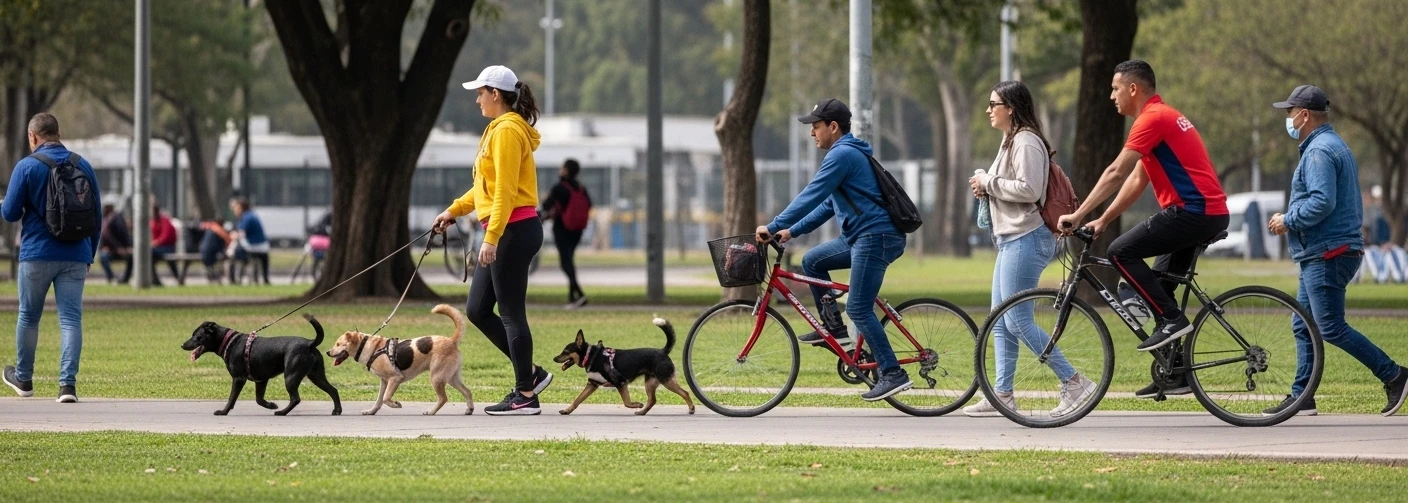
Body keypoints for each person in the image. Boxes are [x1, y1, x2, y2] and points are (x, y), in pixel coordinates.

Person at [1055, 60, 1229, 398]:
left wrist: (1077, 215)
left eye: (1115, 88)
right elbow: (1137, 179)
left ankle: (1174, 322)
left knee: (1120, 253)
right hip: (1204, 213)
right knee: (1158, 290)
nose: (1110, 96)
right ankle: (1176, 372)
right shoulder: (1159, 118)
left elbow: (1116, 173)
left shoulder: (1152, 119)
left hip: (1192, 212)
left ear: (1133, 89)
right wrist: (1102, 221)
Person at [754, 98, 912, 401]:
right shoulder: (845, 154)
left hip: (876, 236)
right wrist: (792, 231)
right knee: (812, 260)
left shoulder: (842, 155)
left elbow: (811, 195)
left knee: (859, 307)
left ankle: (893, 373)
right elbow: (828, 204)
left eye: (815, 126)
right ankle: (834, 328)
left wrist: (772, 226)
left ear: (833, 127)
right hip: (860, 236)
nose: (812, 133)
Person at [1265, 85, 1407, 417]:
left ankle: (1395, 376)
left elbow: (1322, 201)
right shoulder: (1329, 145)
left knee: (1329, 326)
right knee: (1303, 324)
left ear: (1303, 115)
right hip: (1323, 250)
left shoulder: (1319, 151)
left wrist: (1289, 219)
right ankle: (1303, 397)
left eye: (1289, 112)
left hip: (1328, 252)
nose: (1287, 119)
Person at [963, 82, 1096, 417]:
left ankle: (1074, 381)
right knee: (999, 318)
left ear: (1011, 107)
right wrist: (986, 185)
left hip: (1028, 237)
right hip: (1012, 238)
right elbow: (1009, 186)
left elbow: (1029, 188)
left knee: (1016, 318)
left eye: (994, 104)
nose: (989, 110)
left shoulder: (1025, 141)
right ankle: (1002, 394)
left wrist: (988, 183)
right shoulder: (1011, 140)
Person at [433, 65, 552, 415]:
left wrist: (492, 237)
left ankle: (525, 394)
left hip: (513, 231)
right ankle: (531, 374)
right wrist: (453, 211)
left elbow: (504, 191)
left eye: (480, 92)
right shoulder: (498, 130)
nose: (477, 99)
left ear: (495, 95)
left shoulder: (507, 131)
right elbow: (485, 189)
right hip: (507, 229)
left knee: (512, 313)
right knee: (477, 310)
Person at [1, 113, 101, 403]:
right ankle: (67, 386)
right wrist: (88, 254)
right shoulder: (83, 165)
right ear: (58, 133)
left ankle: (24, 378)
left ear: (33, 136)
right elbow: (96, 217)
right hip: (76, 254)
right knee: (71, 320)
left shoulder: (27, 166)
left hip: (36, 255)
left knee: (29, 316)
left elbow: (10, 214)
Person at [541, 158, 591, 308]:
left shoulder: (559, 188)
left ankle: (580, 294)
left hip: (562, 229)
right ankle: (572, 297)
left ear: (566, 170)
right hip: (577, 230)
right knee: (570, 261)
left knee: (565, 263)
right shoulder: (581, 188)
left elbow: (546, 205)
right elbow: (589, 204)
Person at [229, 197, 270, 285]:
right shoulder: (252, 215)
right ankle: (263, 279)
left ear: (242, 208)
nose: (234, 210)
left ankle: (235, 279)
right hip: (263, 246)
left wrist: (232, 235)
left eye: (236, 208)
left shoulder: (246, 217)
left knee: (232, 254)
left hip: (254, 246)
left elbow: (240, 234)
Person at [99, 201, 133, 284]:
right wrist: (104, 247)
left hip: (122, 249)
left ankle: (125, 279)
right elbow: (105, 237)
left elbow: (124, 235)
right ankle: (111, 278)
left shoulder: (117, 219)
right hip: (112, 250)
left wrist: (127, 247)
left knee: (132, 257)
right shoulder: (105, 220)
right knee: (103, 256)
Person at [149, 200, 182, 286]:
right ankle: (155, 279)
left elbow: (165, 236)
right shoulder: (153, 222)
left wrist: (155, 243)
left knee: (151, 254)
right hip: (158, 248)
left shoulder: (165, 220)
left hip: (168, 247)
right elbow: (153, 236)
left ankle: (178, 278)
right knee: (149, 255)